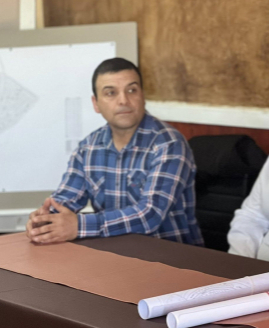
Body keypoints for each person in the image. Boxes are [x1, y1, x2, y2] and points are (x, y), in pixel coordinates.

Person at [26, 58, 204, 246]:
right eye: (111, 93)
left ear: (142, 96)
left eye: (131, 90)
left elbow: (150, 215)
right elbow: (65, 199)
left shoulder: (169, 144)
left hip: (170, 255)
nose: (123, 100)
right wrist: (45, 220)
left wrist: (79, 225)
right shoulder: (88, 148)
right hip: (111, 252)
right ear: (96, 104)